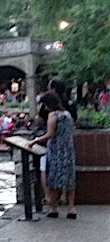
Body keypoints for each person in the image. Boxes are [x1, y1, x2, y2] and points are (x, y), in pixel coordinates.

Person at [27, 91, 76, 219]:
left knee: (53, 179)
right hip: (68, 150)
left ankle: (54, 208)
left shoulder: (52, 116)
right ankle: (71, 209)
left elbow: (50, 134)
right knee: (69, 180)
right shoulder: (68, 114)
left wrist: (35, 141)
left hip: (56, 150)